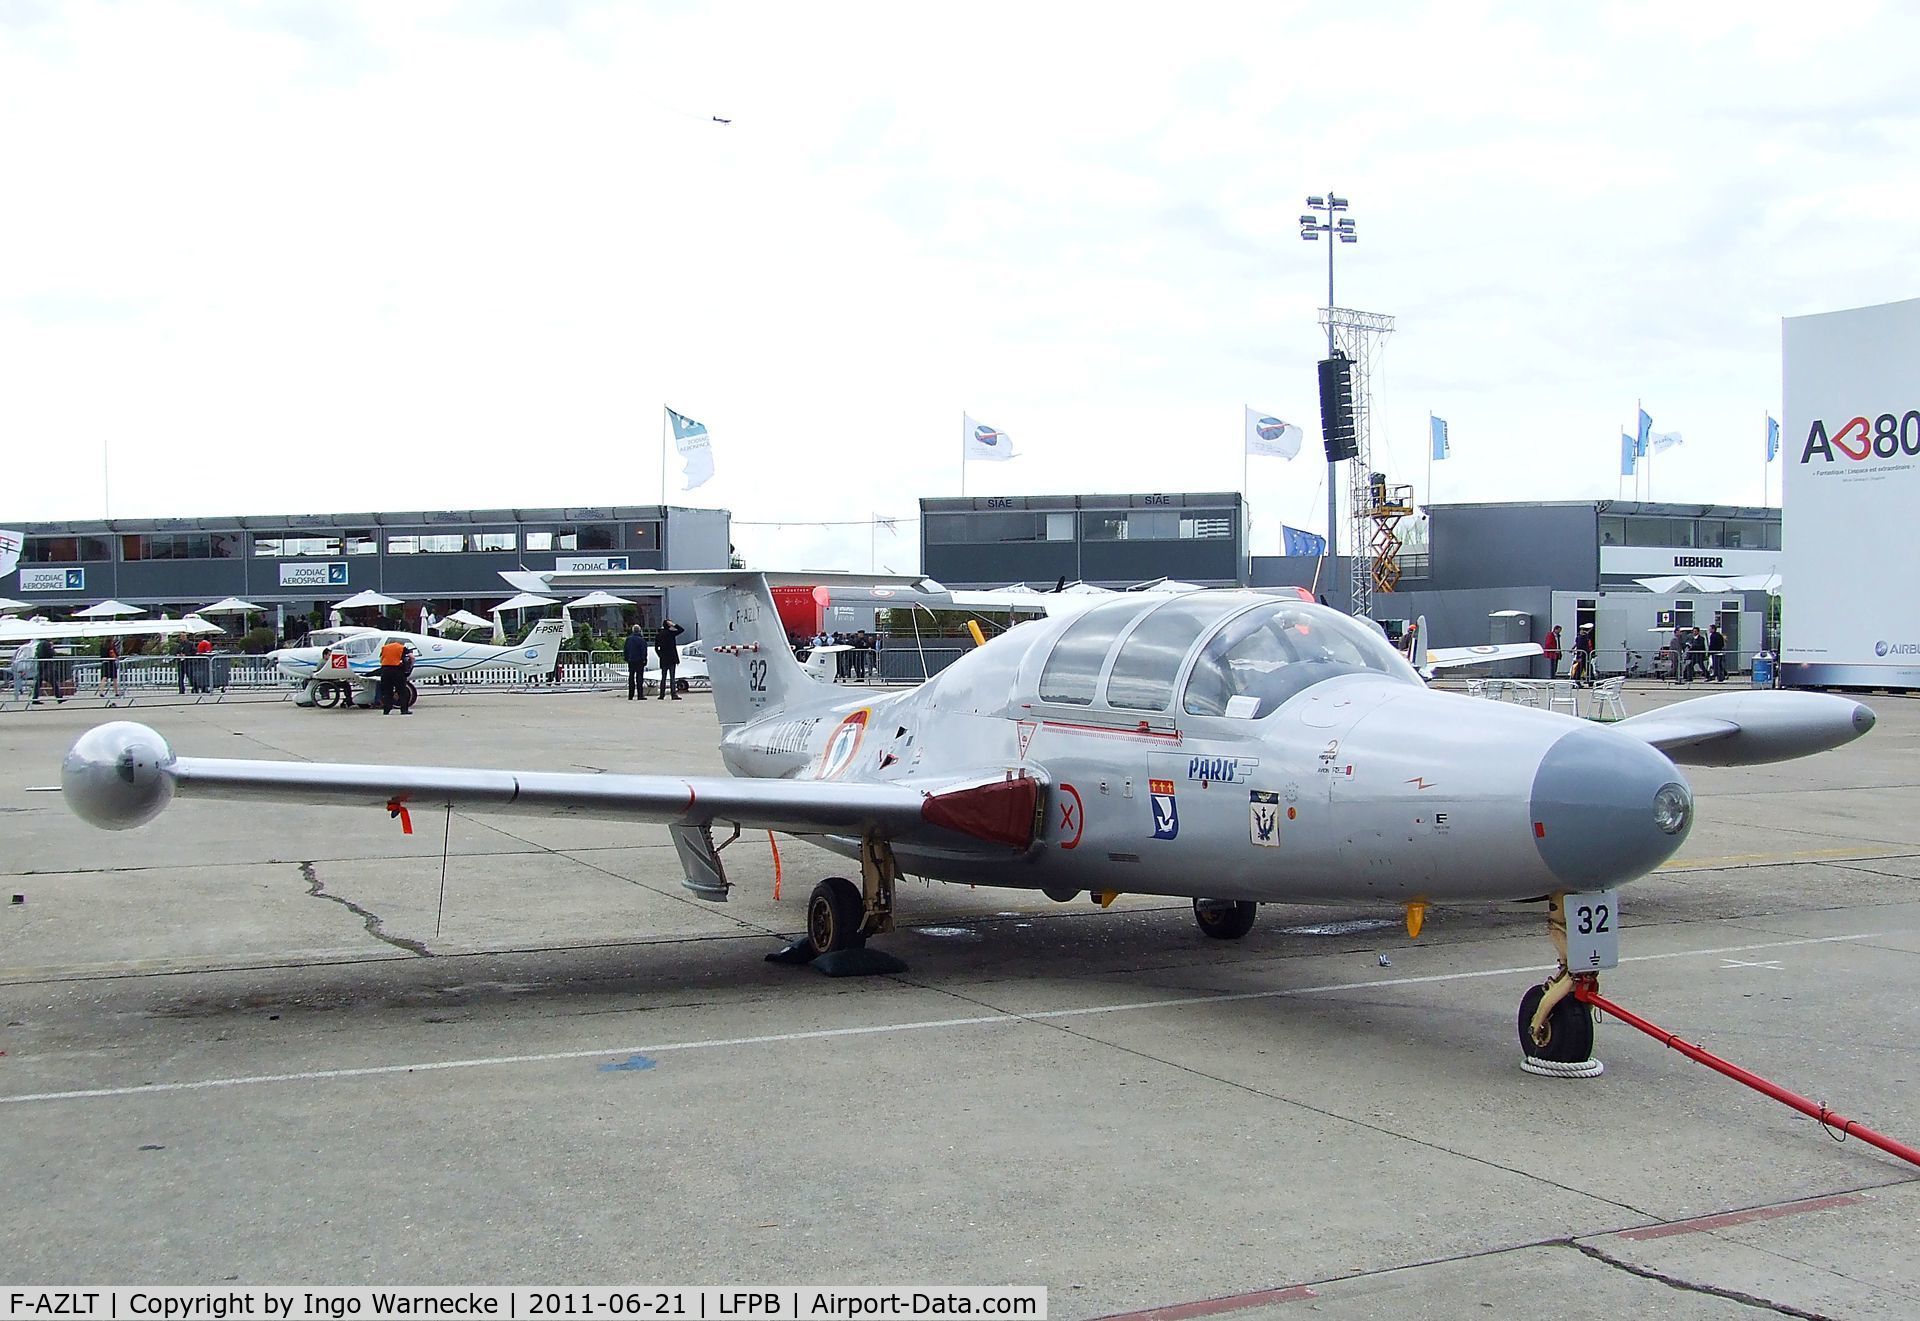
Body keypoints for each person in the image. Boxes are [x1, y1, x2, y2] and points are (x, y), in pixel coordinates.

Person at [378, 635, 410, 714]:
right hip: (397, 670)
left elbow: (381, 659)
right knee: (401, 691)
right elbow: (411, 657)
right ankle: (404, 710)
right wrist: (409, 666)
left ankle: (386, 709)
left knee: (387, 691)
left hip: (385, 670)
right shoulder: (402, 648)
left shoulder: (385, 648)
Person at [654, 618, 684, 699]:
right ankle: (673, 694)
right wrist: (673, 624)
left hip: (663, 658)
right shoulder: (671, 633)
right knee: (672, 677)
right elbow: (681, 629)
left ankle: (662, 694)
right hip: (672, 658)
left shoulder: (659, 634)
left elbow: (656, 648)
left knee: (663, 677)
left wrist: (660, 655)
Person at [32, 637, 63, 703]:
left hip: (41, 665)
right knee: (53, 682)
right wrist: (52, 647)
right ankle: (59, 697)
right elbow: (52, 653)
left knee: (38, 684)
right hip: (47, 666)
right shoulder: (47, 644)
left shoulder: (40, 644)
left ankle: (35, 698)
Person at [623, 625, 649, 700]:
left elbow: (626, 650)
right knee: (639, 678)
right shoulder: (641, 640)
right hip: (639, 661)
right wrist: (644, 659)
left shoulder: (628, 639)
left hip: (631, 660)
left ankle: (630, 695)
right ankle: (640, 695)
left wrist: (626, 658)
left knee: (631, 677)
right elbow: (644, 651)